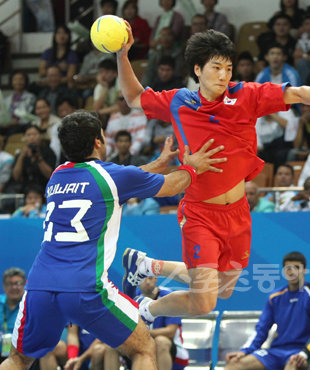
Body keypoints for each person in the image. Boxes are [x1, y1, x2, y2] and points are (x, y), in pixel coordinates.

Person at [117, 27, 310, 319]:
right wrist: (122, 55)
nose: (224, 75)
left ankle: (146, 266)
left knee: (223, 290)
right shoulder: (179, 101)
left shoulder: (246, 94)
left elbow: (296, 93)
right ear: (198, 69)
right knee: (205, 302)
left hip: (238, 213)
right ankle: (147, 310)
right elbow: (134, 97)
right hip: (200, 212)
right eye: (216, 68)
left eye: (228, 68)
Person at [0, 110, 225, 370]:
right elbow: (172, 186)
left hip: (40, 285)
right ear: (98, 141)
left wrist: (158, 164)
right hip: (85, 286)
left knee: (18, 359)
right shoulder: (113, 178)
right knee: (143, 348)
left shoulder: (57, 176)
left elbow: (118, 180)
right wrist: (193, 167)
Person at [225, 252, 310, 370]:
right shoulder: (274, 297)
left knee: (292, 366)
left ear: (304, 270)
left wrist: (304, 354)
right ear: (284, 271)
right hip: (275, 352)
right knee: (234, 364)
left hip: (299, 352)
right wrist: (245, 351)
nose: (292, 271)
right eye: (288, 268)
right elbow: (261, 329)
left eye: (297, 267)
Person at [8, 125, 56, 194]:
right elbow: (16, 177)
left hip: (44, 188)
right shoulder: (20, 154)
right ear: (25, 138)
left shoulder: (48, 151)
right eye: (28, 135)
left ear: (40, 136)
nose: (32, 137)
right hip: (25, 190)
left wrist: (39, 159)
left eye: (34, 134)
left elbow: (50, 175)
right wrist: (21, 157)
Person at [105, 92, 148, 157]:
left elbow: (141, 139)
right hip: (116, 157)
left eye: (127, 98)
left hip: (135, 156)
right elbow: (108, 142)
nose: (124, 101)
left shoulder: (141, 116)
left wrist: (127, 156)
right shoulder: (112, 118)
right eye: (121, 99)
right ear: (117, 102)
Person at [0, 268, 25, 336]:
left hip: (23, 346)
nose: (14, 287)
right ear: (4, 286)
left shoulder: (31, 306)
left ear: (24, 285)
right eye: (9, 283)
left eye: (18, 283)